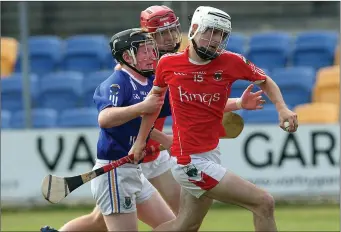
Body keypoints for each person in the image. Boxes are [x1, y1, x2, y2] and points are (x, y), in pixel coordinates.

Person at [41, 5, 266, 232]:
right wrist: (161, 138)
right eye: (161, 34)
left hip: (148, 156)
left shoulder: (172, 63)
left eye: (172, 30)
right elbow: (123, 116)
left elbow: (190, 102)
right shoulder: (134, 72)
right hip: (133, 155)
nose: (169, 38)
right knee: (120, 218)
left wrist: (237, 103)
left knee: (175, 222)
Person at [129, 6, 299, 232]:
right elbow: (152, 106)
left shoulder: (232, 62)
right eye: (211, 32)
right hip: (188, 162)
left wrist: (282, 108)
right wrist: (141, 142)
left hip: (210, 155)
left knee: (186, 225)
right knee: (263, 202)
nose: (215, 40)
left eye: (221, 35)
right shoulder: (168, 64)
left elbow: (265, 80)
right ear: (195, 29)